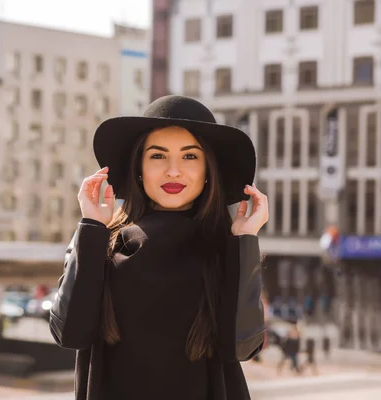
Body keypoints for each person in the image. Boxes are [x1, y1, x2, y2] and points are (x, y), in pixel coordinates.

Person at [49, 95, 268, 400]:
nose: (173, 171)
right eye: (158, 156)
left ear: (208, 170)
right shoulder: (101, 241)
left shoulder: (227, 249)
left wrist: (245, 239)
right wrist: (92, 227)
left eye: (190, 156)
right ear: (138, 166)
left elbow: (243, 346)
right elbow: (69, 332)